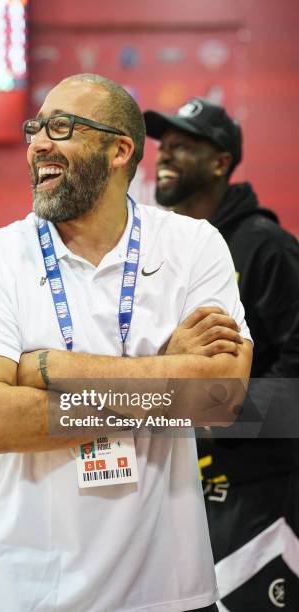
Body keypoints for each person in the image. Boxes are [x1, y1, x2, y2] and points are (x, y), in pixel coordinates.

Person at [0, 74, 252, 612]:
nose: (39, 142)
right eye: (34, 128)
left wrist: (51, 368)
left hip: (170, 584)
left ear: (119, 150)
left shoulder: (194, 244)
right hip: (27, 587)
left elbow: (219, 397)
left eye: (61, 127)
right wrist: (168, 371)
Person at [144, 98, 299, 611]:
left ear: (220, 162)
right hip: (185, 488)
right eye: (163, 147)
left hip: (260, 497)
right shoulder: (164, 253)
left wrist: (214, 415)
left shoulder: (266, 247)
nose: (164, 156)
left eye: (182, 147)